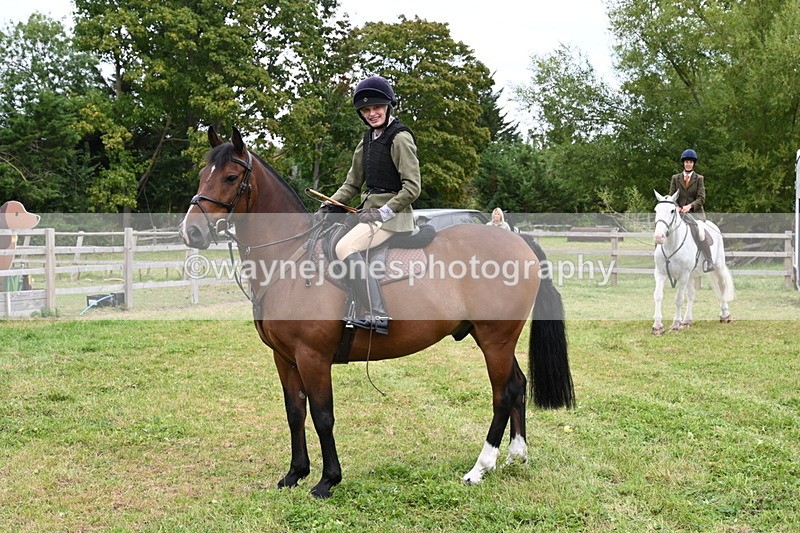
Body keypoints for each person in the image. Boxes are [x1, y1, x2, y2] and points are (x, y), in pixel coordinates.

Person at [315, 75, 421, 334]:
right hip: (368, 214)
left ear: (388, 106)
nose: (372, 113)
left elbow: (412, 187)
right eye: (366, 110)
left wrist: (382, 212)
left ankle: (378, 314)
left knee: (345, 247)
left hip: (393, 217)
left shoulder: (400, 138)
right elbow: (351, 184)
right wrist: (329, 204)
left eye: (377, 107)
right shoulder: (367, 140)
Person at [669, 148, 714, 272]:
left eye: (690, 162)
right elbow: (672, 196)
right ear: (683, 163)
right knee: (664, 229)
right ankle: (661, 257)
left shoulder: (699, 178)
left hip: (695, 214)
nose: (688, 164)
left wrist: (690, 206)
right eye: (686, 162)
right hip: (679, 214)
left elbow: (701, 198)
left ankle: (709, 261)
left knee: (700, 233)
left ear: (693, 164)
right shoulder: (675, 178)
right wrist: (676, 207)